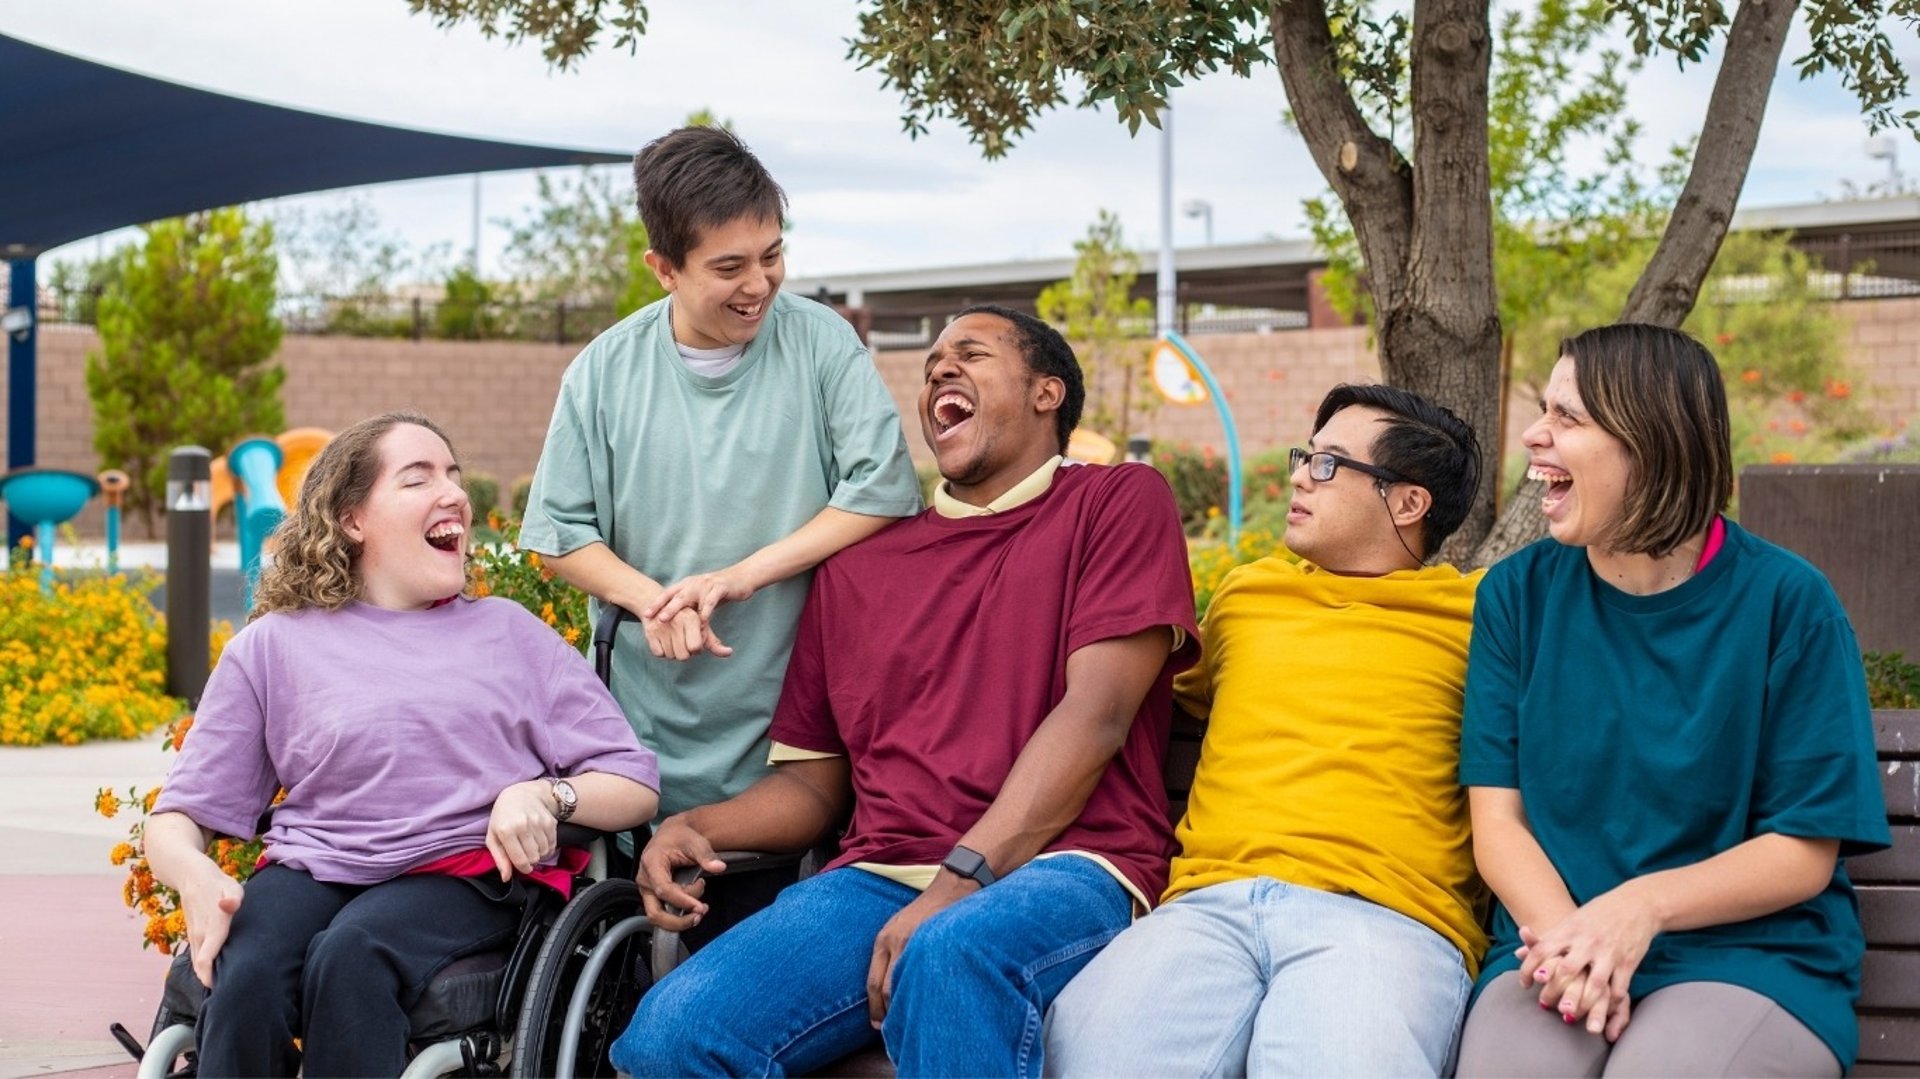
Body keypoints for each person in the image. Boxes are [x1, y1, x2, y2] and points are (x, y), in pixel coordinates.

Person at [606, 304, 1199, 1077]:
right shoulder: (858, 567)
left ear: (1047, 392)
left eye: (972, 355)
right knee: (670, 1036)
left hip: (1067, 864)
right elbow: (814, 788)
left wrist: (955, 884)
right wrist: (696, 825)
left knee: (948, 955)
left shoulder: (1116, 502)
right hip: (878, 880)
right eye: (931, 366)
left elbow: (1097, 717)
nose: (941, 369)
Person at [144, 411, 661, 1078]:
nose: (453, 494)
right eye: (419, 479)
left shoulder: (509, 635)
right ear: (352, 518)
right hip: (317, 867)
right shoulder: (273, 646)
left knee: (352, 956)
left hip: (465, 875)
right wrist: (195, 875)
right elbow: (177, 817)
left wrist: (546, 795)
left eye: (453, 476)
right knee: (246, 972)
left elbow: (633, 782)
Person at [1453, 324, 1890, 1077]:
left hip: (1747, 956)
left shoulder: (1789, 602)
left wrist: (1639, 909)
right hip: (1553, 938)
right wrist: (1574, 946)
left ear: (1650, 443)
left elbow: (1803, 851)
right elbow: (1498, 821)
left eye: (1567, 417)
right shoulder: (1515, 598)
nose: (1534, 434)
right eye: (1544, 410)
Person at [1045, 383, 1488, 1076]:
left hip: (1383, 916)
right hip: (1205, 908)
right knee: (1092, 1055)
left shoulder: (1480, 616)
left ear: (1409, 503)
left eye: (1329, 463)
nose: (1300, 477)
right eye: (1304, 457)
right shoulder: (1248, 595)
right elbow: (1133, 705)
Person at [518, 125, 922, 835]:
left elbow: (882, 490)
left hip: (795, 736)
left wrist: (742, 577)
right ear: (664, 269)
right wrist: (653, 601)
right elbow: (559, 533)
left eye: (772, 255)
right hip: (640, 727)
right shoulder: (601, 371)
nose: (759, 284)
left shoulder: (823, 342)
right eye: (729, 266)